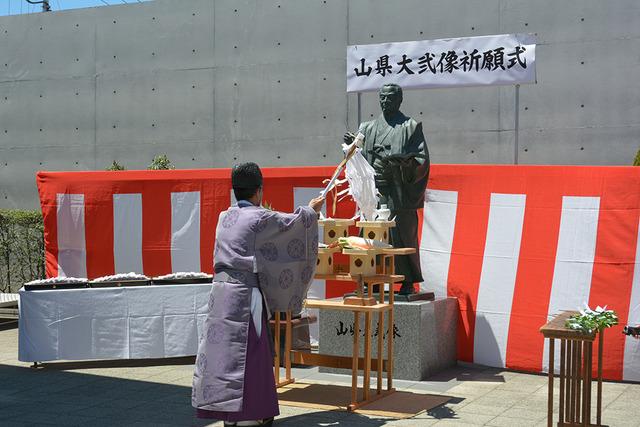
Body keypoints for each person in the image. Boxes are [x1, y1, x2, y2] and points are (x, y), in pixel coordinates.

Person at [192, 162, 324, 426]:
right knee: (249, 353)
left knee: (222, 357)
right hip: (244, 296)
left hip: (220, 294)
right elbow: (292, 225)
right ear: (259, 190)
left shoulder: (224, 216)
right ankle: (249, 417)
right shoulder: (259, 217)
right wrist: (311, 211)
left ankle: (228, 415)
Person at [344, 83, 429, 295]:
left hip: (398, 191)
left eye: (390, 98)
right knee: (370, 234)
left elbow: (421, 160)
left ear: (399, 100)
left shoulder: (410, 126)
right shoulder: (367, 128)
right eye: (382, 97)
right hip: (373, 193)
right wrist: (350, 147)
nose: (385, 102)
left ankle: (407, 281)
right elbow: (356, 160)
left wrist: (400, 165)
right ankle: (367, 279)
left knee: (402, 234)